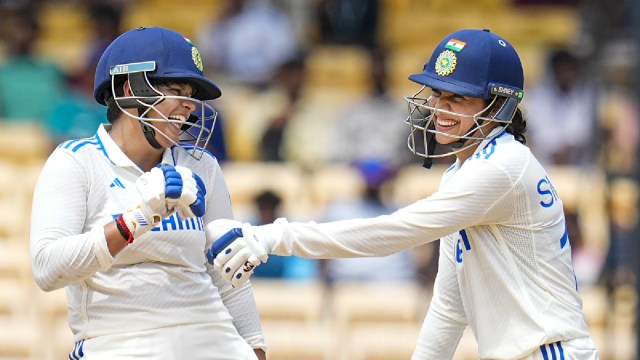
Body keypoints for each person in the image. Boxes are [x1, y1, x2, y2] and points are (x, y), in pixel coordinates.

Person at [206, 29, 600, 359]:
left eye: (457, 98)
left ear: (498, 107)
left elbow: (394, 233)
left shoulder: (502, 168)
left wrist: (275, 235)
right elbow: (449, 307)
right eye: (437, 94)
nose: (439, 108)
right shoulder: (465, 172)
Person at [30, 26, 266, 360]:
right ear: (130, 89)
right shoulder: (76, 162)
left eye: (191, 95)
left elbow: (226, 270)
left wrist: (255, 347)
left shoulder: (202, 166)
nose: (189, 107)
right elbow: (47, 269)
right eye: (176, 90)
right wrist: (139, 218)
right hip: (119, 342)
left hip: (210, 336)